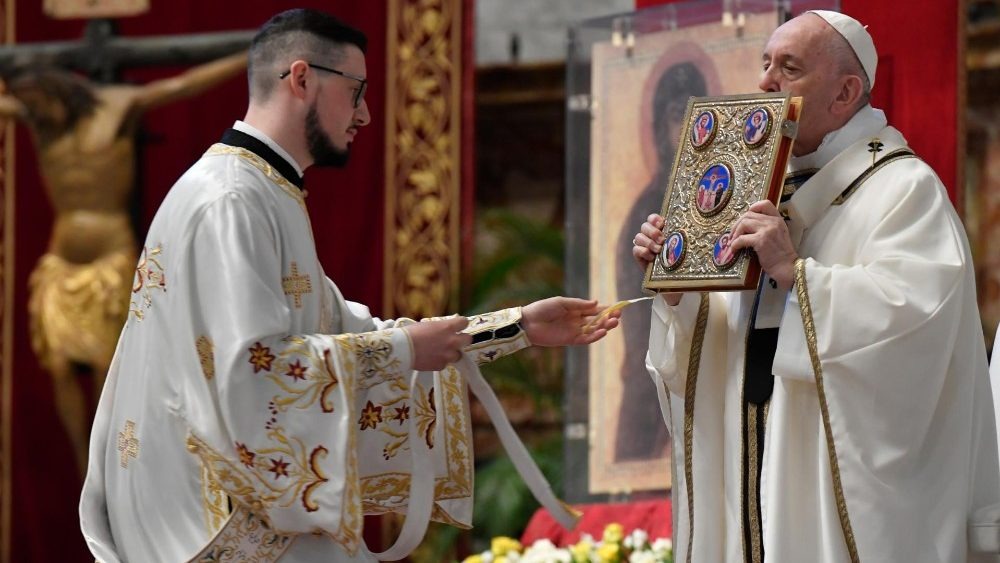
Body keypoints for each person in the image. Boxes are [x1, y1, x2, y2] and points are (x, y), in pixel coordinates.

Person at [79, 9, 619, 562]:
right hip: (216, 521)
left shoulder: (262, 190)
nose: (364, 114)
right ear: (301, 78)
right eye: (355, 91)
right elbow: (256, 369)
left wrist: (517, 327)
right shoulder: (232, 200)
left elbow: (349, 330)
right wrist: (406, 349)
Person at [632, 10, 1000, 562]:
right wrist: (679, 292)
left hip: (827, 477)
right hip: (746, 463)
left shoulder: (903, 189)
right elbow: (712, 344)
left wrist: (796, 273)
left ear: (845, 92)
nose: (765, 83)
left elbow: (917, 326)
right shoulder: (746, 185)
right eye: (765, 64)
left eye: (789, 67)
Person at [0, 52, 247, 476]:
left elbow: (185, 83)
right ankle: (84, 464)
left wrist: (252, 54)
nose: (35, 118)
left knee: (103, 367)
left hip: (110, 259)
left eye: (39, 107)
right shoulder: (38, 117)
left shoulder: (117, 106)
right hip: (62, 264)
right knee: (58, 367)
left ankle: (110, 464)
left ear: (56, 91)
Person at [614, 61, 708, 462]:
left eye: (694, 117)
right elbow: (637, 329)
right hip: (654, 375)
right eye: (674, 117)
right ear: (658, 127)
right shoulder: (646, 211)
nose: (684, 130)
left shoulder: (717, 193)